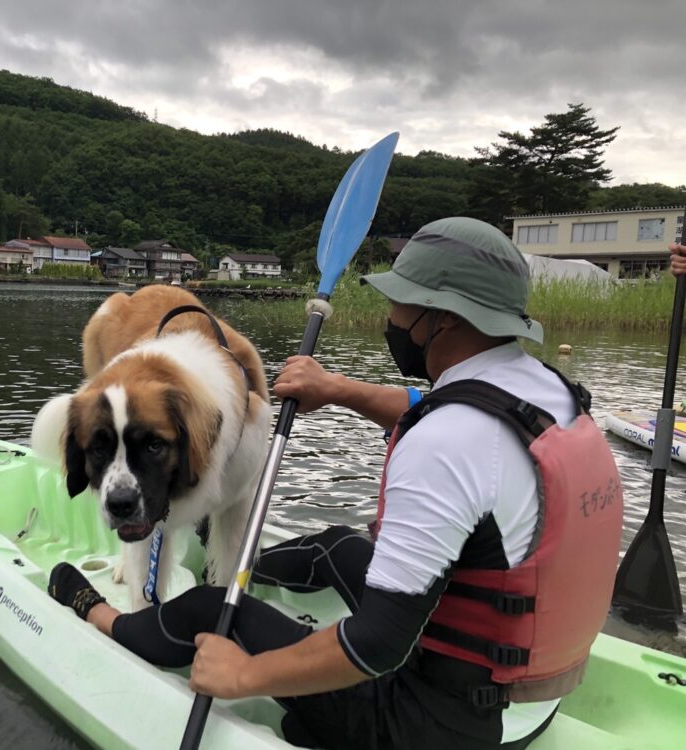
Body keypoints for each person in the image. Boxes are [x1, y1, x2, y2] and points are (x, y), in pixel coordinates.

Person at [48, 217, 624, 750]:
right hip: (500, 666)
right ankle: (235, 568)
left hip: (425, 722)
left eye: (400, 304)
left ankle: (107, 616)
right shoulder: (547, 390)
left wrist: (245, 673)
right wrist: (341, 390)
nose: (391, 320)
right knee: (337, 544)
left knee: (215, 608)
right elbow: (446, 410)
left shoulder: (445, 445)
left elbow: (376, 645)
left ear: (441, 317)